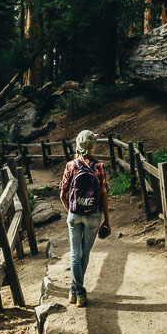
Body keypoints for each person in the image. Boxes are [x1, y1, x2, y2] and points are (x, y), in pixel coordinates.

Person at [59, 130, 111, 307]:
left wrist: (70, 211)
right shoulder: (99, 166)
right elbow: (104, 195)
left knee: (75, 253)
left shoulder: (71, 165)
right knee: (85, 254)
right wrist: (107, 220)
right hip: (94, 215)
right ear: (92, 146)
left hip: (74, 215)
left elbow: (62, 194)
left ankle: (75, 293)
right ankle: (78, 292)